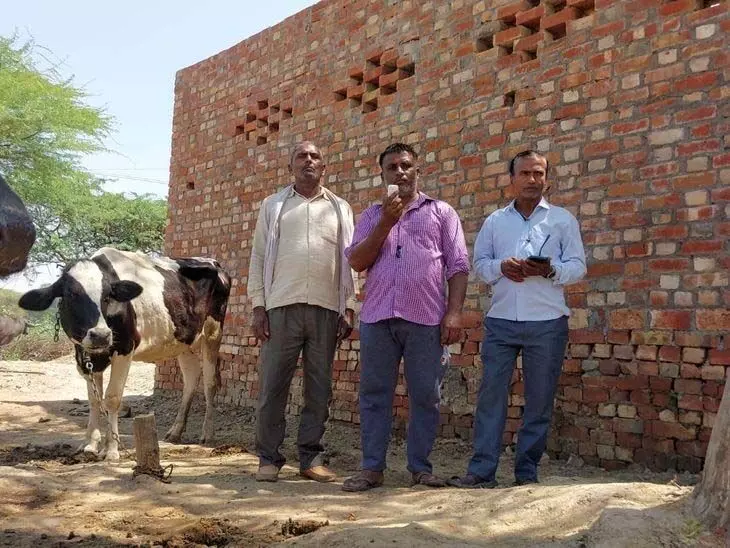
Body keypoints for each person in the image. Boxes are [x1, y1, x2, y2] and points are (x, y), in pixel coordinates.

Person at [448, 150, 586, 489]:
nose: (532, 180)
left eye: (538, 174)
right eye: (525, 174)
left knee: (538, 400)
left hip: (548, 322)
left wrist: (551, 269)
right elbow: (478, 263)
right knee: (491, 396)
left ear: (547, 179)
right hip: (501, 321)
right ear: (512, 180)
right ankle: (482, 472)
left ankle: (526, 474)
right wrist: (501, 268)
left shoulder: (562, 220)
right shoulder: (496, 221)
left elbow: (579, 267)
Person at [342, 142, 469, 492]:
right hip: (378, 318)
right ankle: (372, 469)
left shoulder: (441, 213)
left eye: (406, 165)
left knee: (426, 394)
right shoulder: (370, 215)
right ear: (383, 174)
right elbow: (357, 261)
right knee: (374, 393)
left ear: (417, 170)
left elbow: (458, 266)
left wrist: (454, 313)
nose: (400, 172)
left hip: (426, 318)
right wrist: (386, 220)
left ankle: (420, 468)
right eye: (392, 167)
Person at [247, 141, 356, 483]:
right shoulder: (274, 206)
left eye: (315, 156)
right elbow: (259, 257)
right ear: (290, 166)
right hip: (281, 306)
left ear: (324, 166)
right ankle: (268, 458)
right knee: (273, 386)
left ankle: (311, 459)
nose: (309, 161)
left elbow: (351, 259)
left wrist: (350, 306)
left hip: (326, 309)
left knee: (319, 389)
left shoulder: (340, 208)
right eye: (301, 156)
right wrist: (258, 305)